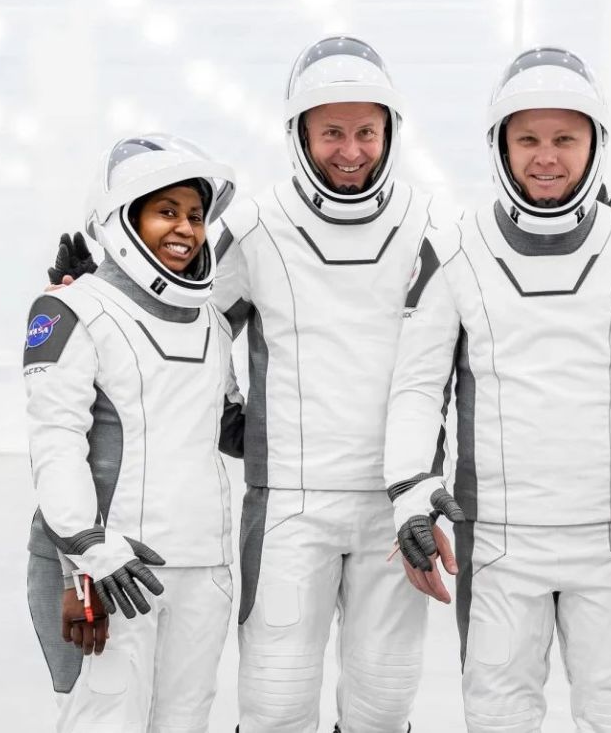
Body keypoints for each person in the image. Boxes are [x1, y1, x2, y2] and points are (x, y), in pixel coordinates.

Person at [384, 46, 611, 731]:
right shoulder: (452, 249)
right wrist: (410, 493)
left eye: (565, 138)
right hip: (498, 543)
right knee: (498, 713)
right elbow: (417, 388)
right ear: (500, 145)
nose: (546, 157)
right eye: (527, 138)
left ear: (595, 144)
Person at [210, 36, 456, 733]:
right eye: (332, 133)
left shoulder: (432, 223)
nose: (351, 151)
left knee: (382, 705)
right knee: (275, 704)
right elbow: (184, 325)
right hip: (290, 503)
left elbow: (497, 320)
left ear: (390, 133)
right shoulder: (254, 226)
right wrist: (231, 419)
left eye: (366, 132)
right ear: (300, 134)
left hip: (399, 503)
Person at [24, 132, 243, 731]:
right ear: (123, 219)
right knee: (103, 720)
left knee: (185, 720)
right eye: (166, 211)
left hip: (205, 568)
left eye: (196, 215)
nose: (186, 229)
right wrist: (84, 554)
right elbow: (56, 440)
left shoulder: (214, 325)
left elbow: (228, 429)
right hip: (111, 569)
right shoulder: (73, 307)